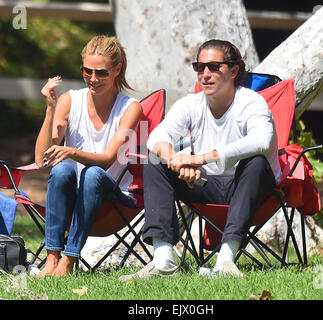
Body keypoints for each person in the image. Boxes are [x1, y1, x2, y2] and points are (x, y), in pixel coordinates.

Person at [119, 39, 281, 281]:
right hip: (206, 185)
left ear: (234, 70)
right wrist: (178, 160)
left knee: (256, 161)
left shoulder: (251, 102)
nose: (205, 74)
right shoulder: (190, 104)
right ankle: (163, 261)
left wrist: (201, 159)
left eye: (215, 67)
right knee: (155, 160)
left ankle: (226, 260)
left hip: (251, 187)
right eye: (200, 67)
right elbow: (156, 137)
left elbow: (262, 141)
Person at [35, 35, 142, 277]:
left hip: (112, 195)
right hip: (72, 192)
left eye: (102, 72)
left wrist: (71, 151)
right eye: (87, 70)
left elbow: (106, 160)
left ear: (117, 69)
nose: (93, 79)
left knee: (93, 173)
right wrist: (50, 109)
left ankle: (69, 259)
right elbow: (42, 158)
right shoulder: (70, 100)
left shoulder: (130, 108)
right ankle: (52, 257)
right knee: (61, 169)